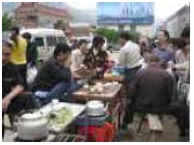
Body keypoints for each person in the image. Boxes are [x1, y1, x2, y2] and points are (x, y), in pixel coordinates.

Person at [125, 54, 189, 138]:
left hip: (141, 106)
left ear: (148, 63)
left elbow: (131, 93)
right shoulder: (167, 75)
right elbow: (171, 96)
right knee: (181, 108)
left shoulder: (140, 73)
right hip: (161, 107)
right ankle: (183, 131)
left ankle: (125, 125)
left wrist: (134, 99)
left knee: (128, 103)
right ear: (159, 63)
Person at [2, 41, 38, 138]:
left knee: (28, 96)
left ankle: (34, 123)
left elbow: (20, 85)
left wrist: (8, 97)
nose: (3, 57)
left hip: (6, 101)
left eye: (7, 54)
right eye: (1, 53)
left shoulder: (11, 66)